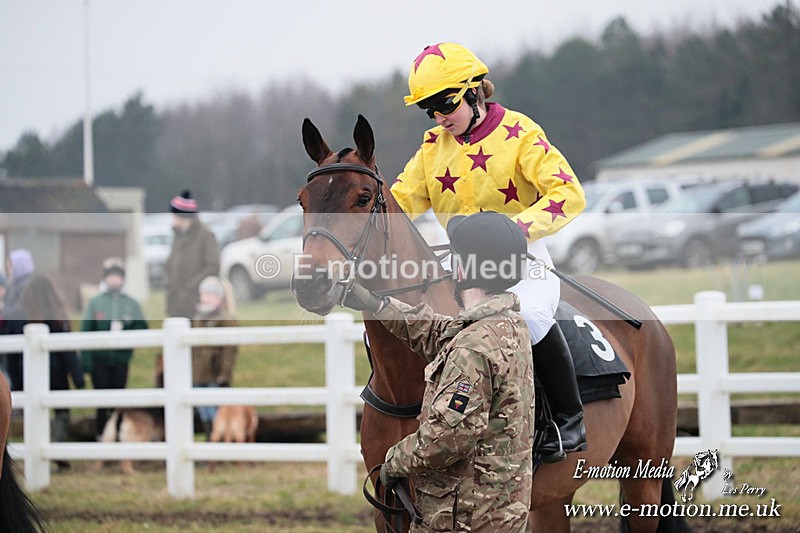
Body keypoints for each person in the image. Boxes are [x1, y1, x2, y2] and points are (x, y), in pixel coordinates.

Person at [391, 42, 588, 461]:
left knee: (531, 317)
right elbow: (400, 201)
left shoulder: (520, 131)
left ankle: (567, 420)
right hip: (461, 266)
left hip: (519, 257)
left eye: (446, 103)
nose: (441, 117)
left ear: (475, 90)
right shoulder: (432, 147)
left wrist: (510, 229)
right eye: (430, 109)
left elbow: (568, 194)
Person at [343, 212, 534, 531]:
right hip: (500, 516)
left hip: (463, 520)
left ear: (462, 268)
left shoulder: (471, 349)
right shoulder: (508, 326)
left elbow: (447, 438)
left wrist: (394, 461)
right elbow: (438, 333)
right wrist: (375, 304)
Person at [5, 275, 84, 471]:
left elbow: (12, 354)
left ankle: (37, 448)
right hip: (56, 373)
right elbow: (68, 350)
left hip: (27, 373)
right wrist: (77, 377)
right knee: (61, 411)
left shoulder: (17, 315)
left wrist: (15, 381)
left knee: (33, 411)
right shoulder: (57, 315)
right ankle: (57, 448)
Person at [80, 258, 149, 440]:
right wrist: (86, 363)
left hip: (120, 360)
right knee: (101, 400)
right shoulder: (96, 303)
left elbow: (142, 327)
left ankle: (117, 435)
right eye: (111, 276)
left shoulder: (131, 304)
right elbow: (86, 331)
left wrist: (126, 330)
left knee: (119, 400)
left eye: (117, 276)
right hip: (99, 361)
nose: (114, 280)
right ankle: (101, 435)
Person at [191, 275, 238, 438]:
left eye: (210, 295)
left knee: (214, 411)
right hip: (197, 375)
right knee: (203, 411)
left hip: (214, 375)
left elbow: (229, 352)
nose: (205, 298)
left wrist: (224, 374)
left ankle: (216, 443)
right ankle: (208, 440)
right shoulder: (197, 320)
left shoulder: (225, 320)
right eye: (203, 294)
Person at [164, 190, 221, 318]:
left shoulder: (206, 236)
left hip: (195, 302)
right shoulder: (177, 236)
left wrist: (190, 286)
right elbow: (171, 262)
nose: (173, 220)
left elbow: (213, 266)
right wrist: (168, 282)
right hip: (175, 302)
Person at [2, 249, 36, 390]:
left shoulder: (25, 288)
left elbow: (17, 313)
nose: (9, 270)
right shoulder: (16, 287)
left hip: (20, 337)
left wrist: (3, 310)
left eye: (11, 266)